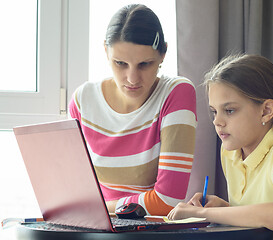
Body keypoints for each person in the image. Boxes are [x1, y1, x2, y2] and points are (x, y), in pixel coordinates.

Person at [167, 54, 273, 240]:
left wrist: (203, 214)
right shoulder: (230, 152)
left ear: (266, 111)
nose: (217, 121)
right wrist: (225, 209)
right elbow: (261, 218)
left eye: (229, 110)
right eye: (214, 111)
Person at [68, 4, 197, 216]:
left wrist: (95, 209)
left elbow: (166, 201)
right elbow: (72, 193)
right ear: (106, 52)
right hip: (94, 226)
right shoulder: (83, 101)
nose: (132, 78)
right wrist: (87, 210)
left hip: (147, 232)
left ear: (163, 53)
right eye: (120, 63)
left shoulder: (176, 93)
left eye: (145, 64)